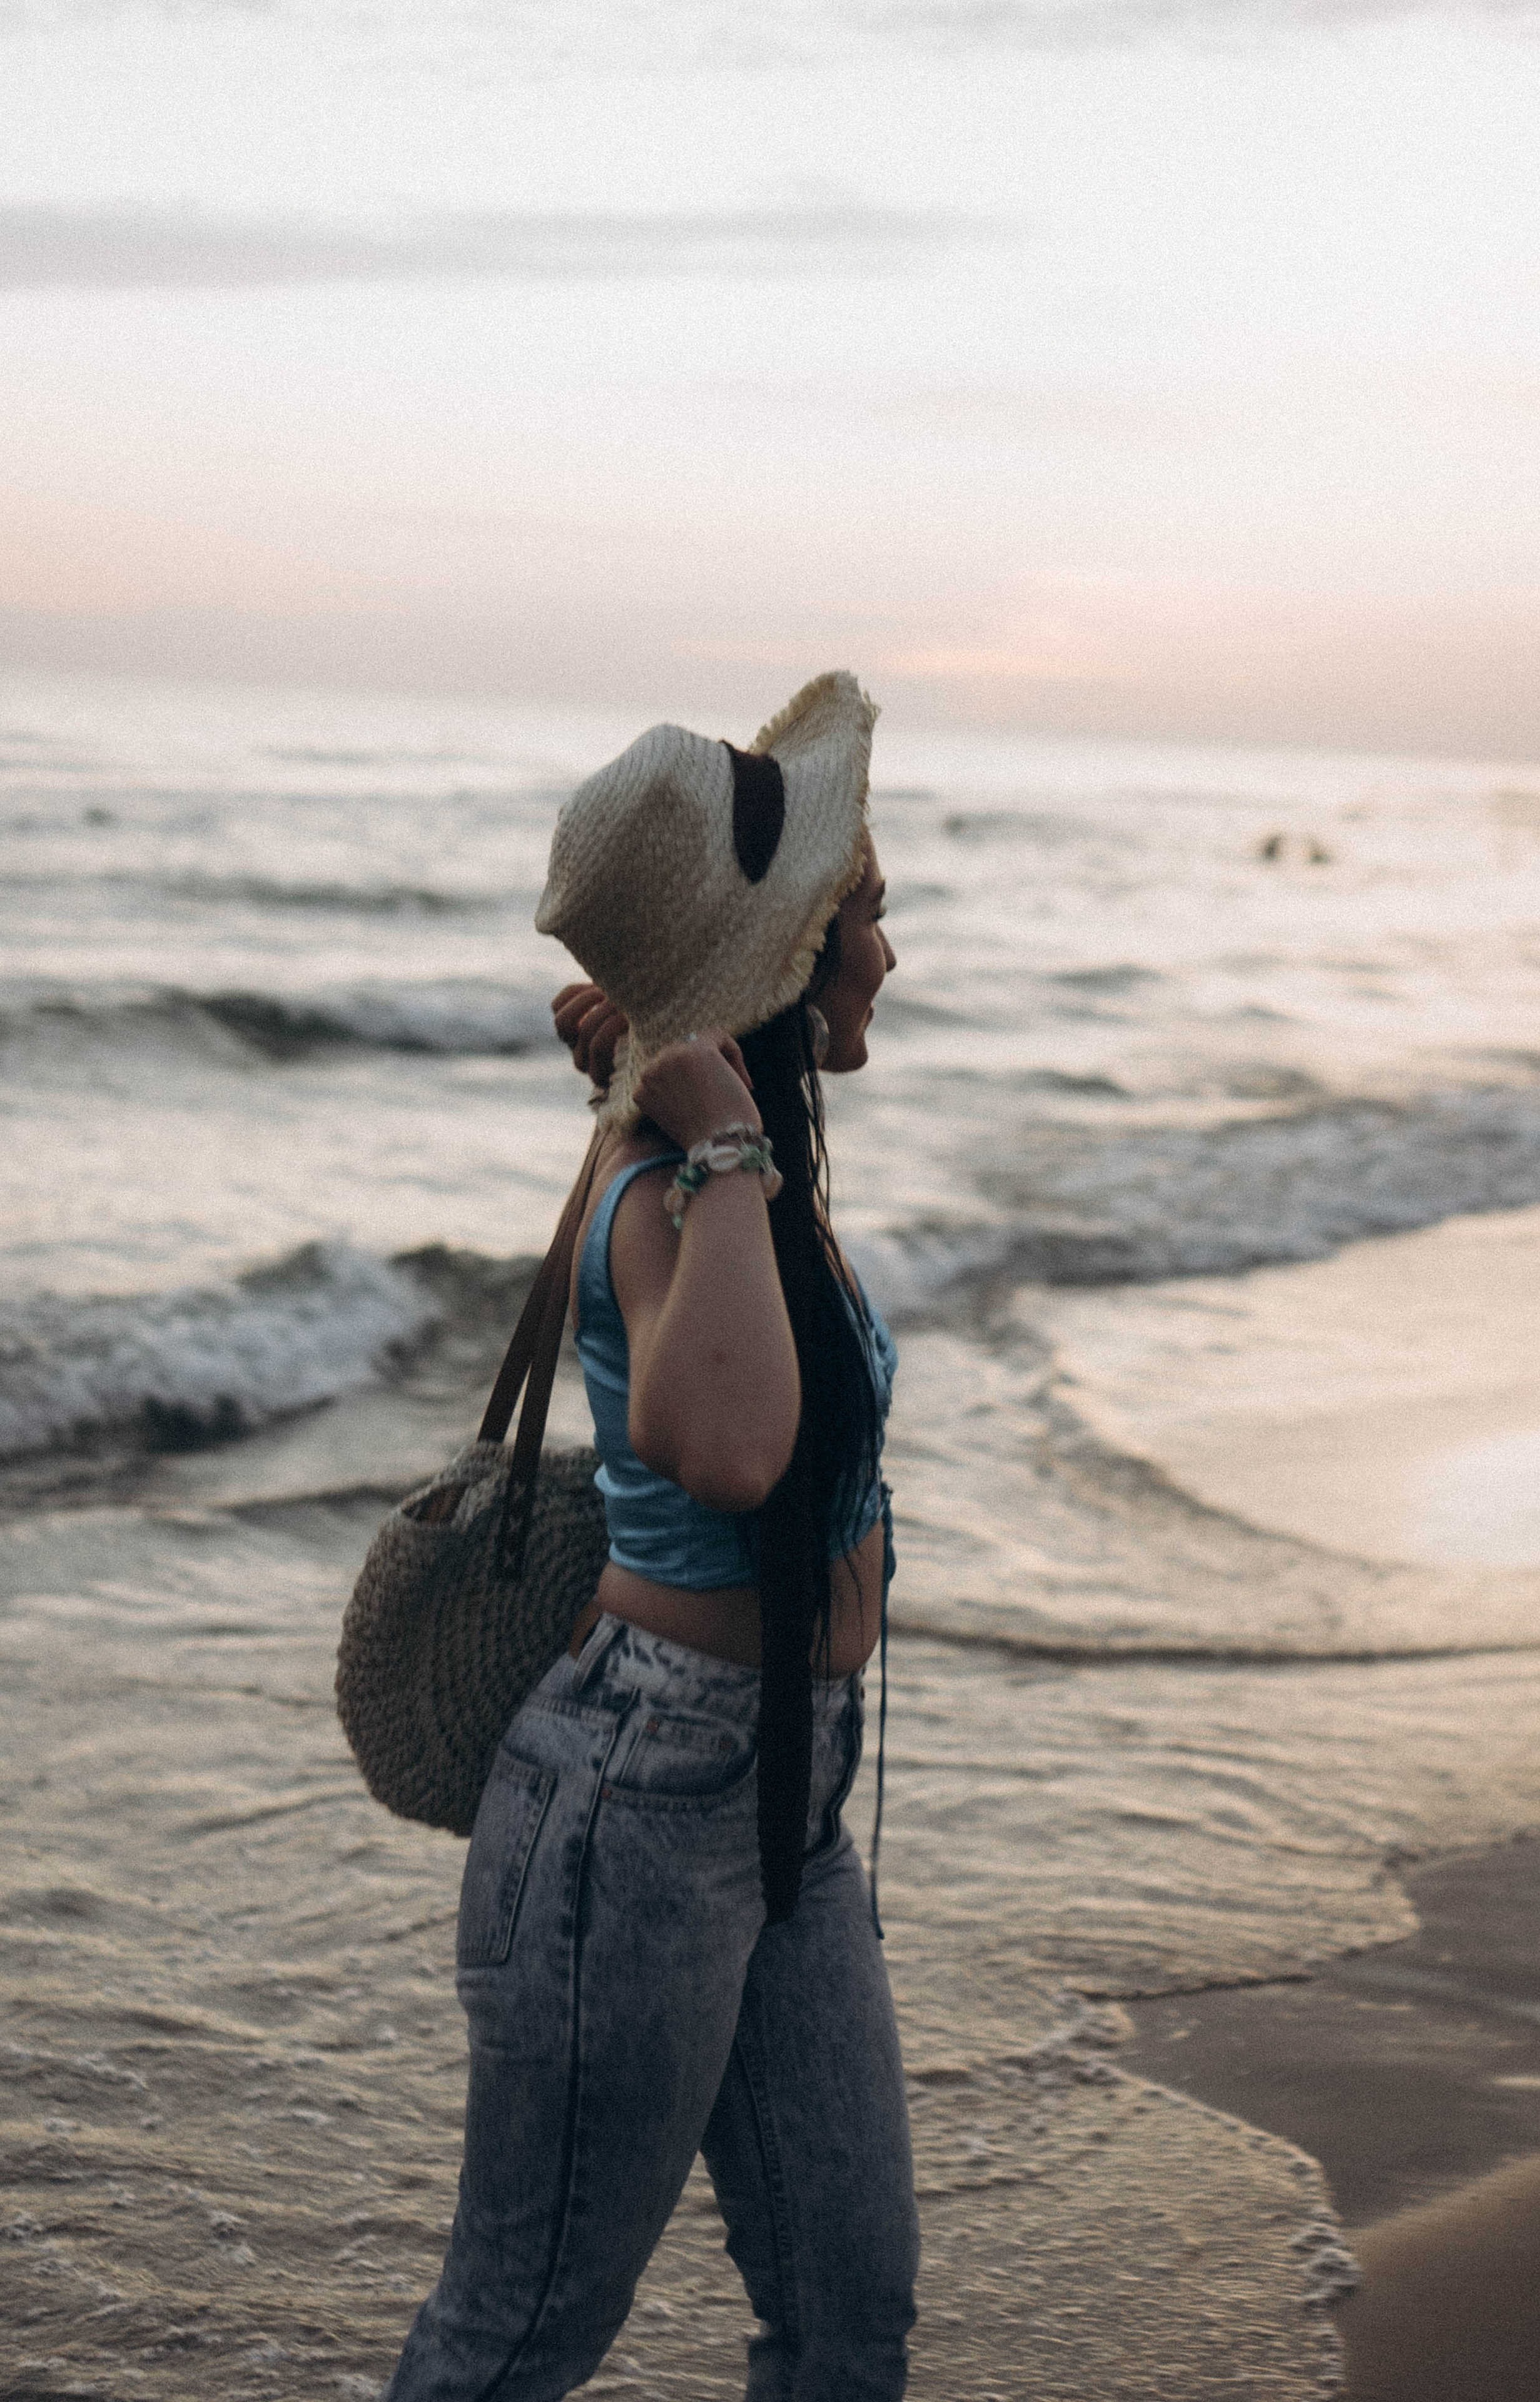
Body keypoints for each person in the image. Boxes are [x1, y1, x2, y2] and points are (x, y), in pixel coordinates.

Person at [381, 671, 918, 2402]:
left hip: (787, 1796)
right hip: (642, 1804)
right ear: (788, 957)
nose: (888, 961)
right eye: (869, 921)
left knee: (850, 2317)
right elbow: (736, 1449)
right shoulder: (683, 1183)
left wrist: (706, 1117)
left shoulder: (710, 1169)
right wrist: (720, 1130)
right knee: (517, 2334)